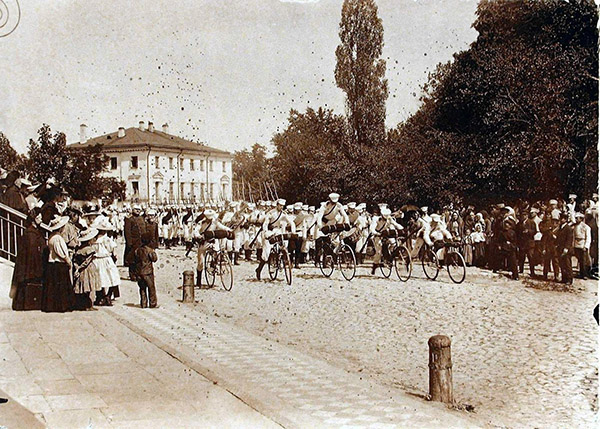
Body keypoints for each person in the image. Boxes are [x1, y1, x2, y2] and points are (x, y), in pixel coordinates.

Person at [10, 208, 46, 311]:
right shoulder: (30, 234)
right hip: (30, 264)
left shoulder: (35, 232)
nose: (41, 219)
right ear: (33, 219)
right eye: (39, 217)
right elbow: (32, 251)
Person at [41, 215, 75, 312]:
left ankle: (54, 306)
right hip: (58, 263)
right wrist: (67, 260)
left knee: (54, 286)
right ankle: (61, 306)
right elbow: (60, 251)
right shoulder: (57, 238)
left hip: (53, 263)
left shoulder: (52, 237)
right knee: (61, 287)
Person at [256, 199, 295, 280]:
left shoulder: (283, 214)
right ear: (277, 205)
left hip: (278, 231)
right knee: (266, 253)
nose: (281, 207)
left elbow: (291, 222)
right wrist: (266, 232)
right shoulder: (271, 213)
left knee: (284, 244)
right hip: (269, 232)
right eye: (280, 205)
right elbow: (265, 224)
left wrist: (293, 231)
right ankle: (259, 270)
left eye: (282, 206)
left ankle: (282, 259)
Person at [72, 228, 100, 311]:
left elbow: (75, 261)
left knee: (84, 287)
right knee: (88, 287)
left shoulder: (79, 249)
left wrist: (77, 268)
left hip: (82, 270)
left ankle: (84, 304)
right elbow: (87, 261)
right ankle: (88, 305)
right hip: (88, 269)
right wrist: (80, 268)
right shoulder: (89, 250)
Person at [133, 232, 158, 308]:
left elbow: (135, 260)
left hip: (139, 271)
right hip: (148, 272)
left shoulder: (137, 250)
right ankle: (152, 303)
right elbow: (154, 259)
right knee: (151, 288)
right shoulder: (150, 250)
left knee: (142, 288)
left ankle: (143, 303)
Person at [556, 213, 574, 284]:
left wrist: (566, 248)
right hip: (560, 248)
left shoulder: (568, 228)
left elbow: (569, 239)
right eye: (560, 218)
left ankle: (569, 279)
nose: (561, 219)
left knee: (567, 264)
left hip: (566, 249)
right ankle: (564, 278)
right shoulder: (560, 227)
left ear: (565, 220)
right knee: (562, 264)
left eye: (562, 218)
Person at [573, 212, 591, 279]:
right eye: (576, 218)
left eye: (577, 218)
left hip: (582, 243)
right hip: (576, 244)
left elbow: (588, 237)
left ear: (581, 219)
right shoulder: (575, 226)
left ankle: (585, 274)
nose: (576, 220)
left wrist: (586, 246)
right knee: (579, 259)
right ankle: (581, 273)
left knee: (584, 260)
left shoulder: (586, 227)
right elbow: (574, 236)